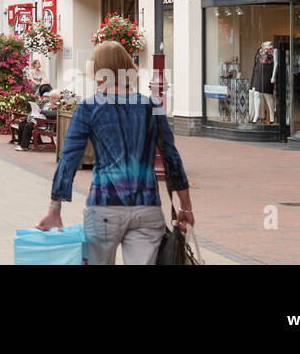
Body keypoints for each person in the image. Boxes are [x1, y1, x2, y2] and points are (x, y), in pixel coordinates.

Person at [37, 41, 194, 265]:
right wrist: (185, 207)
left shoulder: (89, 108)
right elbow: (171, 158)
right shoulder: (152, 106)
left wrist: (55, 207)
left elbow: (69, 159)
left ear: (98, 71)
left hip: (104, 207)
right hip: (147, 208)